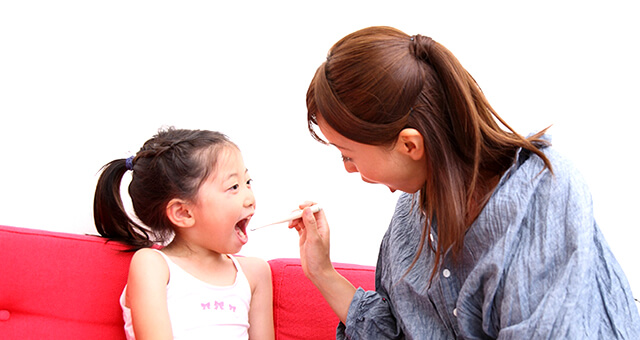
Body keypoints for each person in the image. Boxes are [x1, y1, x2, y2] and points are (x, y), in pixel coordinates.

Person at [290, 26, 640, 339]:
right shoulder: (406, 224)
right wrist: (321, 271)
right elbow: (393, 330)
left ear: (410, 145)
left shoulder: (541, 193)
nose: (348, 169)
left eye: (347, 154)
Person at [93, 127, 274, 340]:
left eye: (247, 183)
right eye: (233, 186)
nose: (249, 198)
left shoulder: (256, 274)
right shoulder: (153, 265)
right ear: (183, 212)